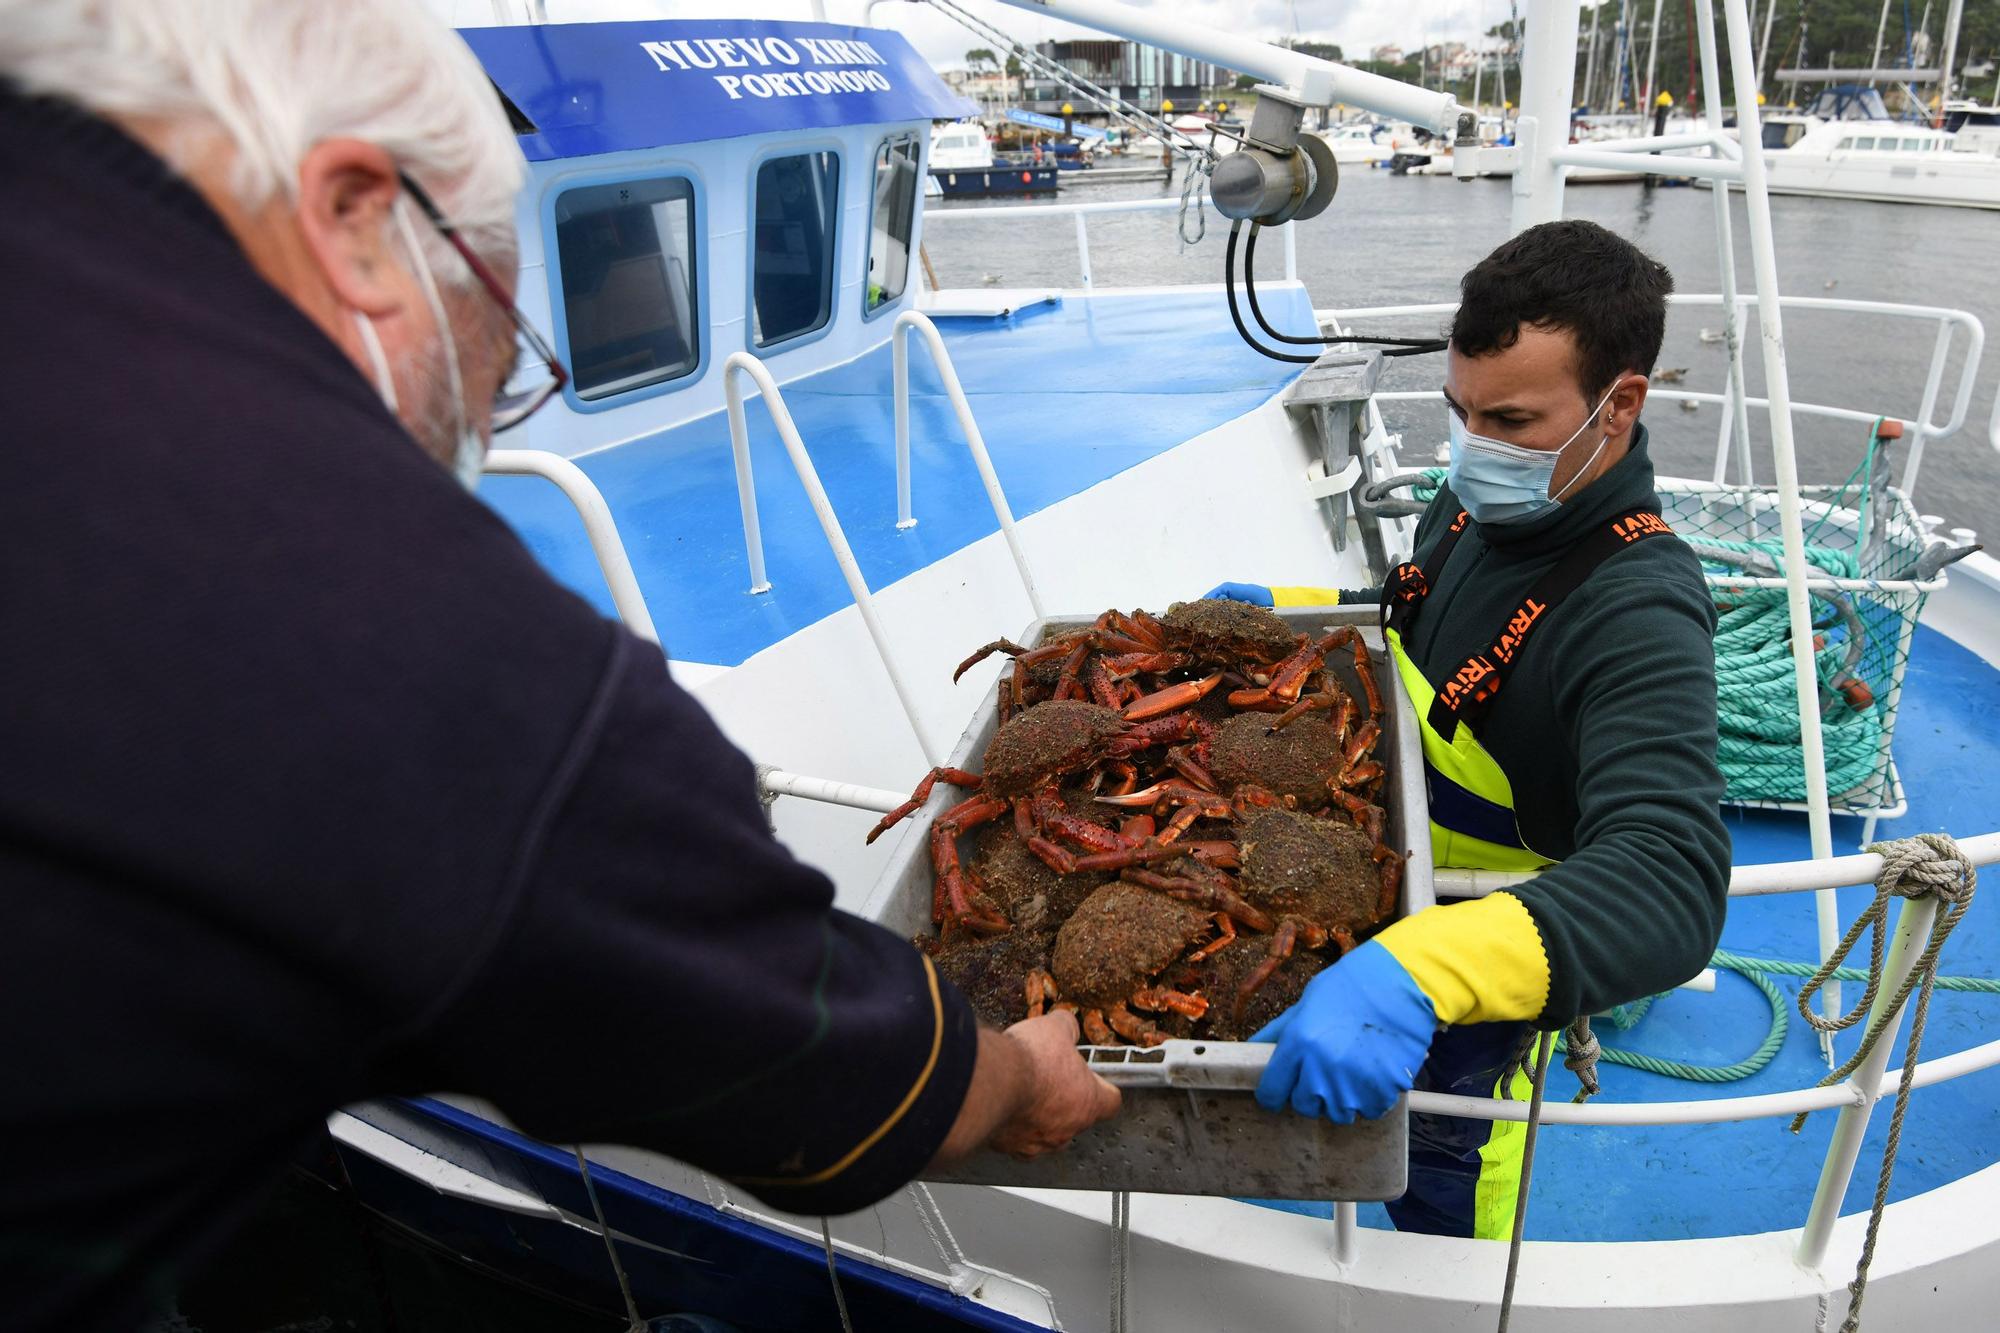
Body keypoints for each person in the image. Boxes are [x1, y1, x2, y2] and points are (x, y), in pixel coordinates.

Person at [0, 5, 1117, 1329]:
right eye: (504, 349)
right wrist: (1025, 1079)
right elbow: (826, 1080)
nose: (479, 416)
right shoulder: (378, 615)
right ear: (357, 214)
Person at [1208, 220, 1730, 1239]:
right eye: (1458, 413)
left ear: (1618, 403)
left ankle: (1458, 1284)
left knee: (1450, 1150)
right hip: (1382, 847)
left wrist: (1422, 968)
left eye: (1510, 419)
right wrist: (1294, 607)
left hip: (1482, 929)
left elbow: (1669, 875)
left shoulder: (1638, 611)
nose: (1471, 447)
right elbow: (1419, 614)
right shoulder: (1482, 496)